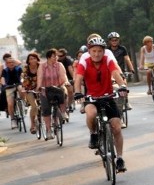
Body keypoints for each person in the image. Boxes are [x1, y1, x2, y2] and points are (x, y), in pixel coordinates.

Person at [74, 37, 128, 173]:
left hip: (108, 96)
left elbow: (115, 72)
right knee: (91, 114)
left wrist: (121, 85)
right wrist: (77, 92)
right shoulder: (84, 61)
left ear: (103, 51)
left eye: (99, 51)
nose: (97, 54)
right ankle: (93, 134)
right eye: (94, 51)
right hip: (91, 98)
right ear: (89, 51)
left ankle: (120, 158)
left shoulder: (107, 59)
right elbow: (78, 78)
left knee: (116, 127)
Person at [36, 49, 69, 140]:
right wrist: (39, 86)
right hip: (45, 90)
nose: (56, 58)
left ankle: (63, 112)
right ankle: (49, 130)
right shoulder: (42, 66)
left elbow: (63, 76)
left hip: (58, 87)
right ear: (49, 57)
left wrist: (65, 82)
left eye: (57, 56)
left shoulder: (59, 65)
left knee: (64, 92)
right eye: (54, 56)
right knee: (46, 110)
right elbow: (40, 77)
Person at [20, 52, 41, 134]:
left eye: (34, 58)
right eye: (31, 59)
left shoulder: (41, 67)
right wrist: (24, 88)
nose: (33, 60)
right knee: (34, 106)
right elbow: (24, 80)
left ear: (37, 59)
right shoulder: (26, 68)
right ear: (28, 61)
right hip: (29, 89)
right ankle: (33, 125)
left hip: (40, 88)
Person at [1, 54, 23, 129]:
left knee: (21, 89)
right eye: (9, 62)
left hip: (18, 84)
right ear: (6, 64)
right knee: (10, 104)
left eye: (12, 62)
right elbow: (3, 78)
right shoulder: (5, 70)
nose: (11, 64)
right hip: (9, 86)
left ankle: (23, 102)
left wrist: (23, 81)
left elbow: (22, 76)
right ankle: (13, 119)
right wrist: (4, 85)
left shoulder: (18, 69)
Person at [56, 48, 75, 113]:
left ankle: (69, 105)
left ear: (64, 55)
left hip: (67, 78)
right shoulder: (56, 61)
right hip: (57, 79)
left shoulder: (68, 61)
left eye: (61, 56)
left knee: (70, 91)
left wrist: (74, 79)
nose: (59, 57)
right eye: (58, 56)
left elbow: (71, 71)